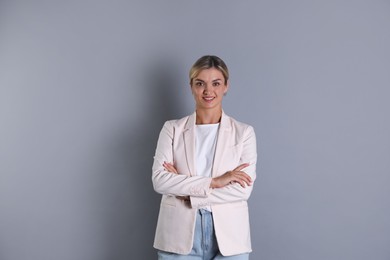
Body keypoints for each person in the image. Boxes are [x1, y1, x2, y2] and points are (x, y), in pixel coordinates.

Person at [152, 55, 257, 259]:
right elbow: (160, 181)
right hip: (178, 234)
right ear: (191, 86)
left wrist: (187, 193)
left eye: (216, 83)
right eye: (200, 83)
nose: (208, 91)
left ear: (226, 86)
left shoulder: (244, 133)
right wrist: (216, 182)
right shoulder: (172, 129)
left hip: (230, 237)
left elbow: (242, 191)